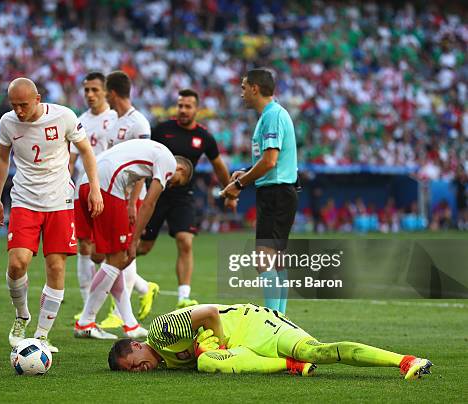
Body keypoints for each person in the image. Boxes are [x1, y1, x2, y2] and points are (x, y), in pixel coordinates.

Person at [0, 77, 103, 354]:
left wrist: (95, 190)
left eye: (24, 105)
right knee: (17, 264)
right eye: (14, 105)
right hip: (24, 200)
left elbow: (86, 152)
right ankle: (22, 316)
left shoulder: (63, 116)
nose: (18, 110)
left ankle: (41, 335)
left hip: (59, 201)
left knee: (56, 267)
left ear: (37, 99)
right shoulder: (7, 123)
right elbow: (2, 158)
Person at [107, 303, 433, 380]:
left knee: (317, 350)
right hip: (244, 346)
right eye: (133, 372)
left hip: (256, 324)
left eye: (135, 364)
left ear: (135, 346)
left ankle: (405, 360)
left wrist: (219, 344)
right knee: (206, 363)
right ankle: (291, 365)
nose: (140, 370)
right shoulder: (165, 361)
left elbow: (206, 312)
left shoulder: (160, 333)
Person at [73, 139, 193, 340]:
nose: (170, 184)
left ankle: (130, 324)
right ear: (179, 167)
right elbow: (148, 203)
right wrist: (134, 240)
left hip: (86, 181)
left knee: (107, 257)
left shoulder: (150, 152)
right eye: (175, 181)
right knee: (119, 258)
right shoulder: (169, 162)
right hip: (106, 185)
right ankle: (86, 322)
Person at [138, 89, 233, 309]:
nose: (183, 109)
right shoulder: (162, 130)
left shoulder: (204, 137)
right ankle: (124, 288)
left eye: (188, 106)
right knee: (141, 248)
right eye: (180, 105)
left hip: (183, 198)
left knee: (185, 241)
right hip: (156, 194)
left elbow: (218, 165)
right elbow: (142, 154)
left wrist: (230, 192)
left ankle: (183, 298)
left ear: (196, 110)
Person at [221, 68, 298, 314]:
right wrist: (244, 172)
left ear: (255, 88)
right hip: (278, 191)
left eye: (243, 87)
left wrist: (239, 184)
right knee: (276, 258)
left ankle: (273, 320)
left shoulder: (272, 115)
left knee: (263, 258)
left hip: (276, 192)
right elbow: (268, 160)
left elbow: (270, 162)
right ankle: (280, 318)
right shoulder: (271, 115)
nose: (241, 93)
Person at [95, 70, 159, 329]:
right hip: (113, 193)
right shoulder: (113, 121)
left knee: (123, 252)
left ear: (111, 93)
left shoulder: (139, 123)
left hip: (131, 197)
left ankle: (122, 315)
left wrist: (133, 201)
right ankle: (143, 290)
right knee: (108, 252)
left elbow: (145, 165)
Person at [68, 72, 117, 320]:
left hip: (112, 189)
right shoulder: (78, 121)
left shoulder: (116, 118)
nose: (90, 95)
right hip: (83, 187)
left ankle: (123, 305)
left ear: (106, 91)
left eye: (95, 90)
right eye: (86, 90)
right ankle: (88, 309)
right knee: (84, 245)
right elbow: (71, 160)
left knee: (111, 249)